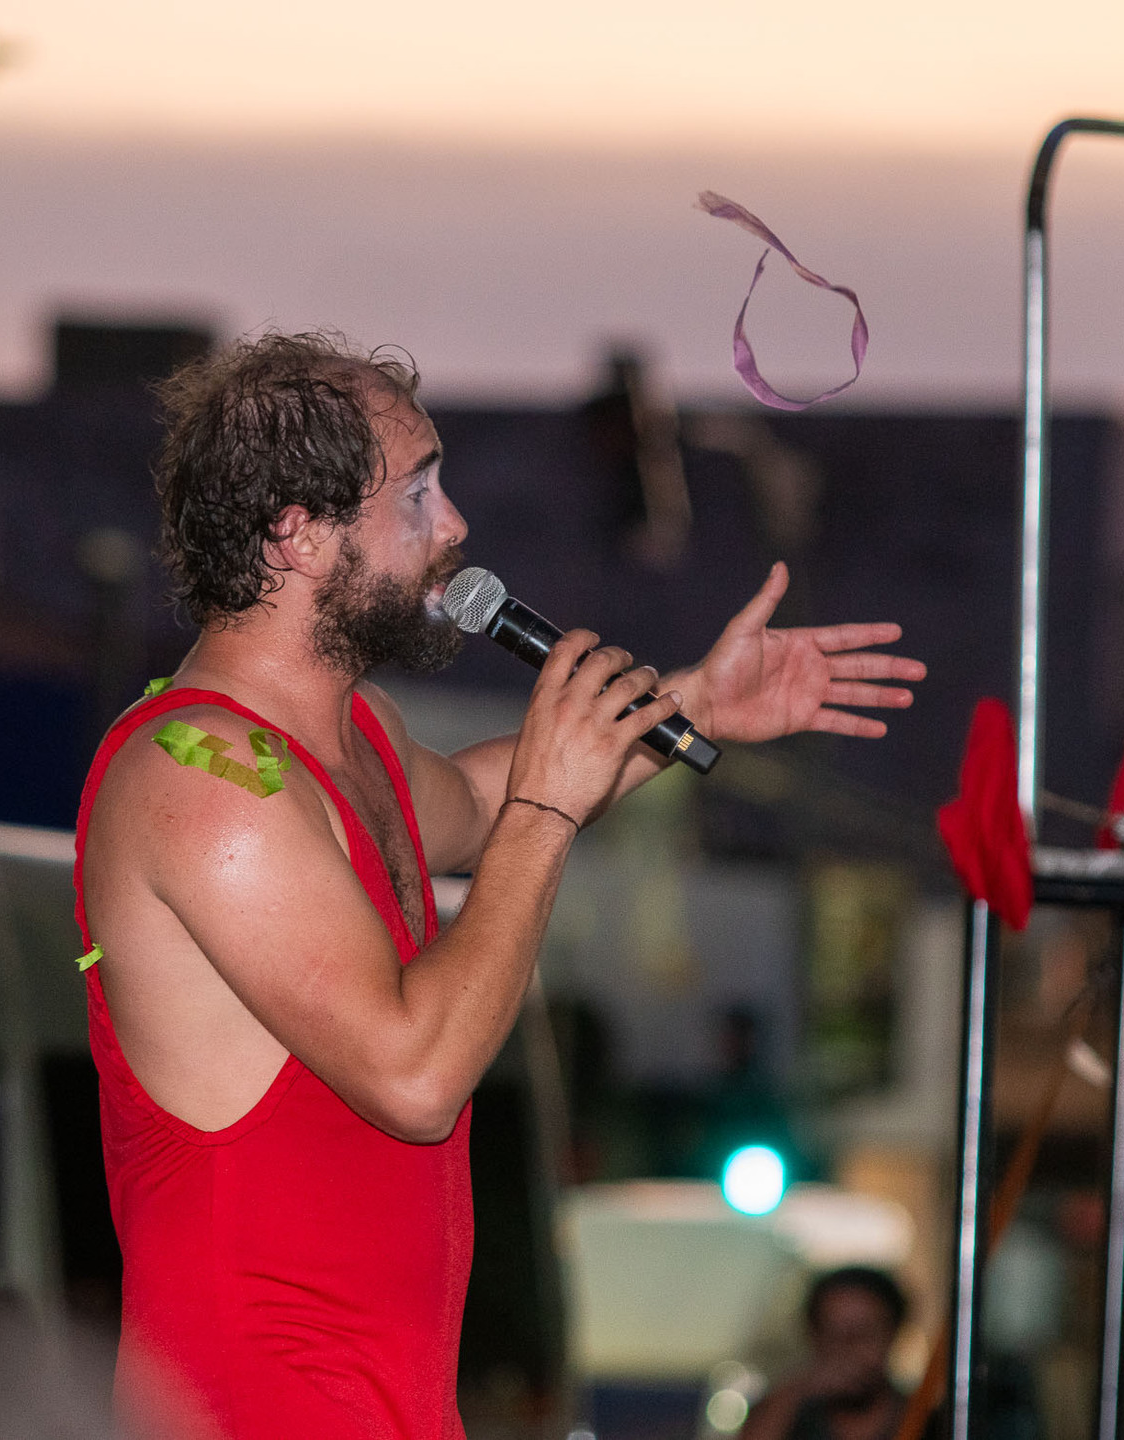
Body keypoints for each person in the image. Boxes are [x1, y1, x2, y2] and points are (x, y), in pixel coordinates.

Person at [74, 331, 925, 1439]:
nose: (456, 526)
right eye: (418, 493)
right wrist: (549, 815)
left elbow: (482, 804)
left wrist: (692, 707)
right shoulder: (206, 785)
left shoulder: (350, 738)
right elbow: (415, 1073)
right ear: (296, 534)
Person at [742, 1267, 911, 1440]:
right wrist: (793, 1395)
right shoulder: (785, 1414)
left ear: (893, 1334)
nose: (849, 1348)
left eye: (864, 1332)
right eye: (833, 1333)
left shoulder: (925, 1418)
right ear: (813, 1336)